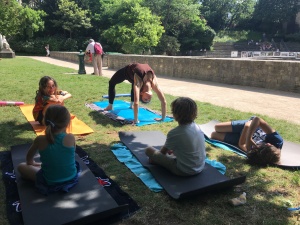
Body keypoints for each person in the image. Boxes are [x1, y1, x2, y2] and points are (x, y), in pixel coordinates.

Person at [18, 105, 80, 195]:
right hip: (71, 177)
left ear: (45, 121)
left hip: (49, 181)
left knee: (21, 166)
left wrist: (33, 164)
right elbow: (69, 155)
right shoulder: (70, 137)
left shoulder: (40, 139)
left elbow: (29, 160)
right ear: (67, 123)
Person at [145, 97, 206, 176]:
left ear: (175, 114)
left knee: (149, 150)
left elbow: (162, 152)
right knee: (172, 152)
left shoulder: (175, 132)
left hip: (183, 171)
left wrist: (156, 157)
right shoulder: (197, 127)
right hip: (200, 167)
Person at [211, 116, 283, 165]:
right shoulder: (277, 141)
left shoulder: (257, 152)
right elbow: (257, 119)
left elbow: (241, 144)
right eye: (270, 145)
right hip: (252, 125)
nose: (269, 144)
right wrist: (249, 137)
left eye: (267, 146)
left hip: (243, 134)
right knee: (217, 127)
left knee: (213, 135)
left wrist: (246, 128)